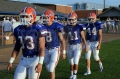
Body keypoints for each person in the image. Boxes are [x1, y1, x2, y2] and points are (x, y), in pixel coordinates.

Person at [7, 7, 46, 79]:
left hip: (35, 59)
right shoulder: (18, 29)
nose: (24, 18)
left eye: (26, 16)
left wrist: (40, 63)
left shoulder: (38, 28)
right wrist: (11, 61)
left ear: (33, 17)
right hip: (23, 59)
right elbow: (17, 47)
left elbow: (42, 47)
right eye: (22, 16)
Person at [42, 9, 66, 79]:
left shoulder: (57, 26)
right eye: (44, 17)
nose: (44, 19)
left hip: (55, 49)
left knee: (51, 69)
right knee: (48, 68)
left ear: (51, 17)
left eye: (46, 17)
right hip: (46, 49)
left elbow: (62, 39)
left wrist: (63, 51)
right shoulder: (42, 26)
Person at [64, 12, 88, 79]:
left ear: (75, 19)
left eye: (72, 19)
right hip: (70, 45)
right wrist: (63, 48)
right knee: (71, 62)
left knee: (76, 61)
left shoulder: (79, 26)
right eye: (69, 19)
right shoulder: (66, 27)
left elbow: (83, 37)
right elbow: (65, 38)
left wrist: (86, 46)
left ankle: (75, 75)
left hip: (77, 45)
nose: (71, 21)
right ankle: (71, 74)